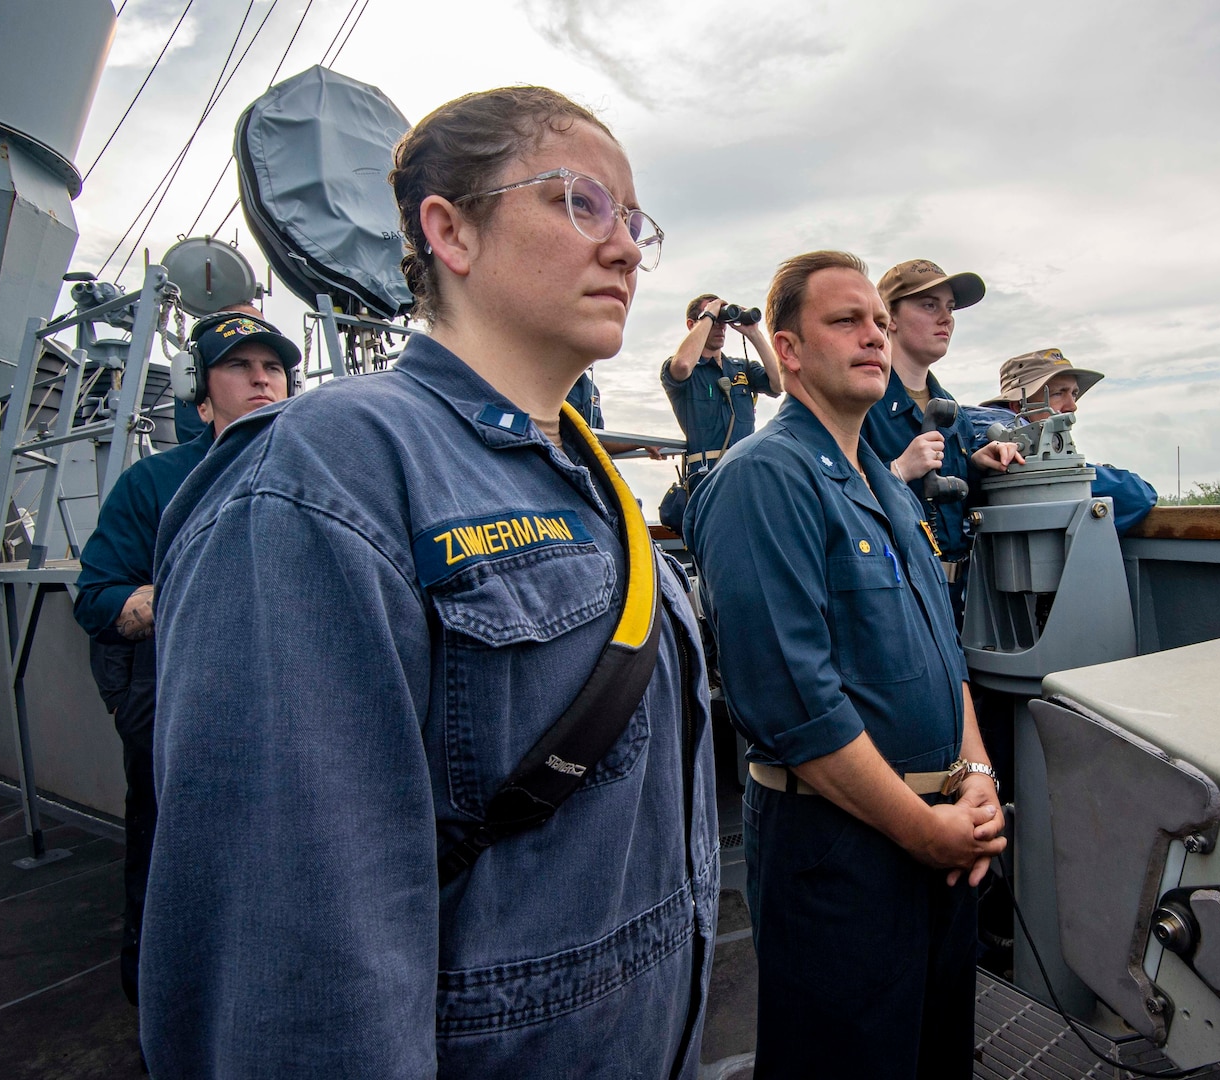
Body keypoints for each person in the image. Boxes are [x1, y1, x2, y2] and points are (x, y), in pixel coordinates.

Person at [141, 86, 717, 1077]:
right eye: (581, 202)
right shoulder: (328, 471)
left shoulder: (588, 475)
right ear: (448, 231)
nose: (623, 246)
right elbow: (296, 974)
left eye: (633, 220)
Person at [684, 251, 1006, 1078]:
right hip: (843, 852)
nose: (873, 335)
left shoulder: (888, 486)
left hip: (937, 842)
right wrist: (923, 830)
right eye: (843, 321)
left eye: (875, 320)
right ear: (786, 351)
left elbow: (944, 656)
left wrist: (974, 776)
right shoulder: (763, 480)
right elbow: (796, 706)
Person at [72, 309, 299, 1012]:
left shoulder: (325, 474)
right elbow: (98, 598)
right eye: (239, 367)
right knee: (172, 858)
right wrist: (203, 592)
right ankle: (161, 1008)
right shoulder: (154, 482)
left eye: (273, 367)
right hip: (179, 697)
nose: (262, 378)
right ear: (202, 398)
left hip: (286, 694)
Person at [861, 260, 1018, 619]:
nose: (945, 318)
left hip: (956, 598)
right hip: (895, 599)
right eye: (929, 305)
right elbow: (833, 501)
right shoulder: (863, 406)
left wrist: (977, 467)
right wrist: (898, 471)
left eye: (949, 308)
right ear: (890, 318)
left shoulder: (953, 413)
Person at [987, 348, 1158, 535]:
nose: (1073, 406)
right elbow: (1136, 495)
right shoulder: (1014, 449)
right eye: (1059, 393)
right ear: (1018, 405)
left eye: (1074, 393)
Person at [661, 293, 782, 483]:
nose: (720, 326)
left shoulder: (741, 368)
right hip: (707, 475)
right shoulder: (686, 370)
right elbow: (683, 365)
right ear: (693, 325)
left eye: (722, 320)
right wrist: (708, 315)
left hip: (747, 472)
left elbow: (779, 383)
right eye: (714, 320)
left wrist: (753, 333)